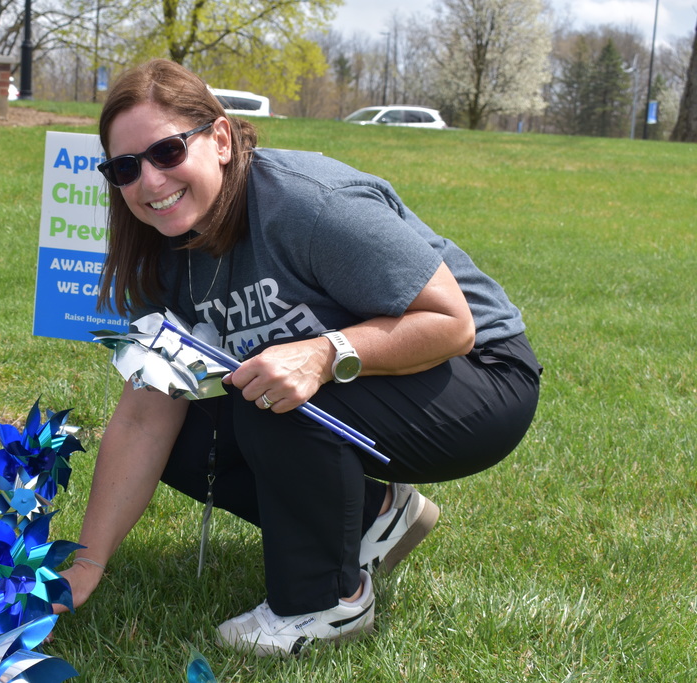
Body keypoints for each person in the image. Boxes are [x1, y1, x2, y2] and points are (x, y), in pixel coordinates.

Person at [59, 59, 542, 657]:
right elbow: (143, 416)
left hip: (478, 375)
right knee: (188, 440)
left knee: (273, 391)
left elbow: (451, 323)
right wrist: (86, 564)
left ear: (221, 138)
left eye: (166, 152)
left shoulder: (306, 203)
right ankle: (374, 514)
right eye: (125, 167)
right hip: (363, 380)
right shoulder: (160, 251)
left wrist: (322, 353)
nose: (150, 182)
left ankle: (325, 603)